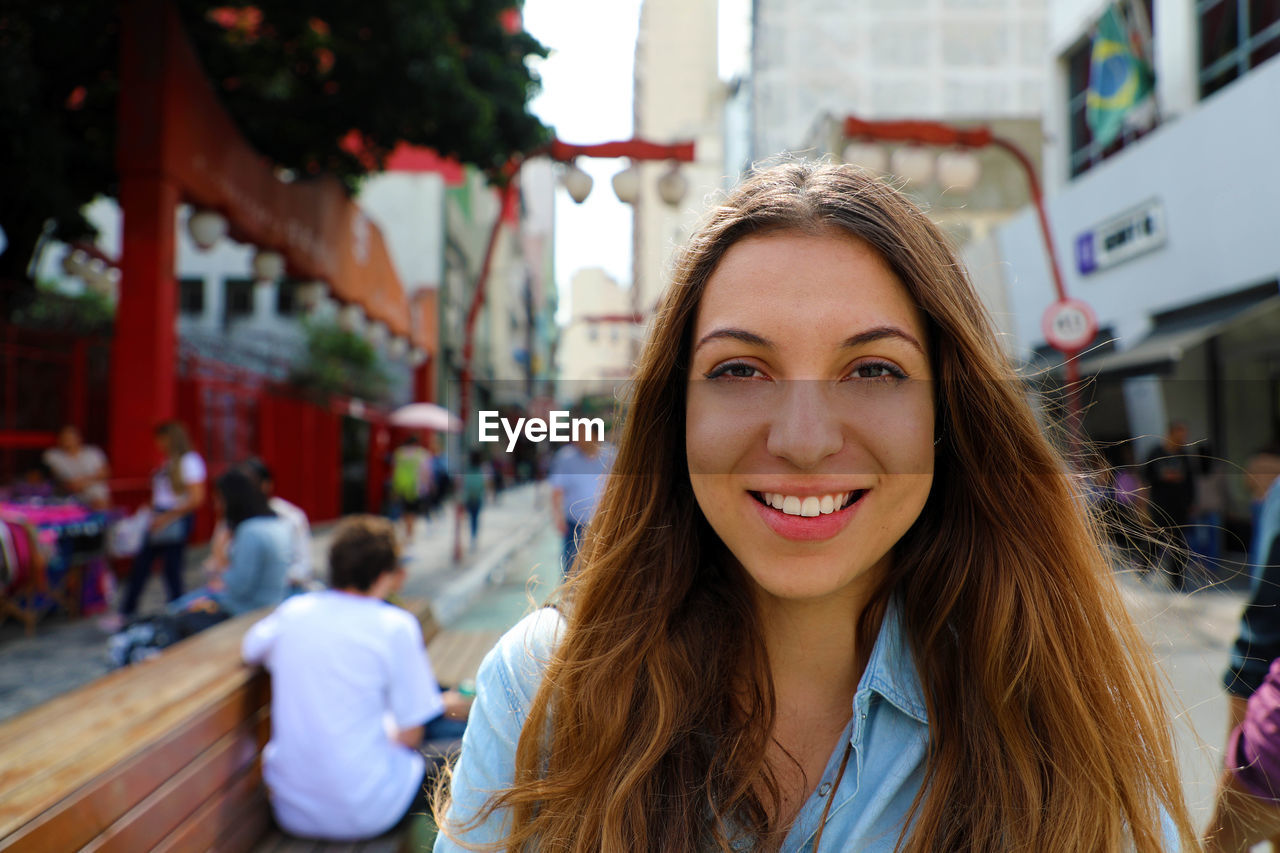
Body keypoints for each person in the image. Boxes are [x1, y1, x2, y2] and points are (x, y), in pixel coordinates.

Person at [432, 163, 1195, 851]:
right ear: (676, 414)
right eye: (739, 369)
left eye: (872, 369)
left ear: (946, 416)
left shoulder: (1061, 704)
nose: (803, 440)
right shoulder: (543, 688)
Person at [242, 516, 470, 841]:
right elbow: (409, 735)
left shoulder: (294, 612)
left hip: (291, 810)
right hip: (368, 811)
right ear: (383, 575)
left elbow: (251, 648)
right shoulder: (394, 624)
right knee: (472, 748)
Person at [170, 467, 291, 624]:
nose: (217, 506)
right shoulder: (276, 524)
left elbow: (238, 587)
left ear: (233, 499)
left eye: (219, 499)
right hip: (269, 607)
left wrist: (220, 560)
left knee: (176, 610)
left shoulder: (250, 531)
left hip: (247, 613)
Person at [119, 421, 206, 617]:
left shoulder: (189, 461)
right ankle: (129, 610)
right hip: (160, 517)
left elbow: (196, 498)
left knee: (171, 569)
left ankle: (178, 611)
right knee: (144, 566)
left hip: (174, 518)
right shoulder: (168, 462)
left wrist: (166, 517)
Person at [546, 424, 613, 574]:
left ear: (595, 435)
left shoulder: (611, 455)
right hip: (574, 523)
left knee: (602, 569)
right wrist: (558, 516)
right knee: (571, 568)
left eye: (582, 433)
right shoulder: (565, 458)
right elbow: (557, 490)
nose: (577, 438)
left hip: (604, 522)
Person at [1142, 421, 1198, 591]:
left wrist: (1191, 502)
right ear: (1170, 434)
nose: (1183, 438)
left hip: (1179, 508)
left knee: (1179, 544)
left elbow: (1190, 482)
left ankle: (1177, 580)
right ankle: (1143, 569)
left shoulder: (1184, 456)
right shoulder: (1156, 453)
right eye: (1179, 434)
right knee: (1157, 540)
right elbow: (1146, 476)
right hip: (1160, 505)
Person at [243, 458, 314, 593]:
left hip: (286, 591)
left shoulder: (290, 517)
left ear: (266, 485)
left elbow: (304, 567)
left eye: (249, 484)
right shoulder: (230, 522)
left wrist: (270, 579)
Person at [43, 425, 110, 509]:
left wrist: (83, 482)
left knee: (99, 498)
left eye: (71, 437)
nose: (68, 440)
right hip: (66, 496)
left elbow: (104, 473)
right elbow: (60, 477)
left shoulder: (93, 452)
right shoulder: (53, 455)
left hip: (96, 494)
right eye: (65, 437)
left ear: (79, 438)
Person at [391, 436, 431, 540]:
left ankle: (407, 531)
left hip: (401, 486)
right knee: (412, 512)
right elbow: (426, 473)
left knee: (404, 511)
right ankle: (410, 533)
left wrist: (395, 487)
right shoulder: (421, 454)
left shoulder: (399, 453)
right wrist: (427, 487)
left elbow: (395, 471)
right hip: (415, 487)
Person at [461, 450, 488, 551]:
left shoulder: (468, 469)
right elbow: (484, 484)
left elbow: (465, 484)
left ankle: (472, 537)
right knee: (475, 519)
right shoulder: (481, 469)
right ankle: (474, 537)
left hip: (469, 498)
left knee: (471, 518)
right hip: (478, 497)